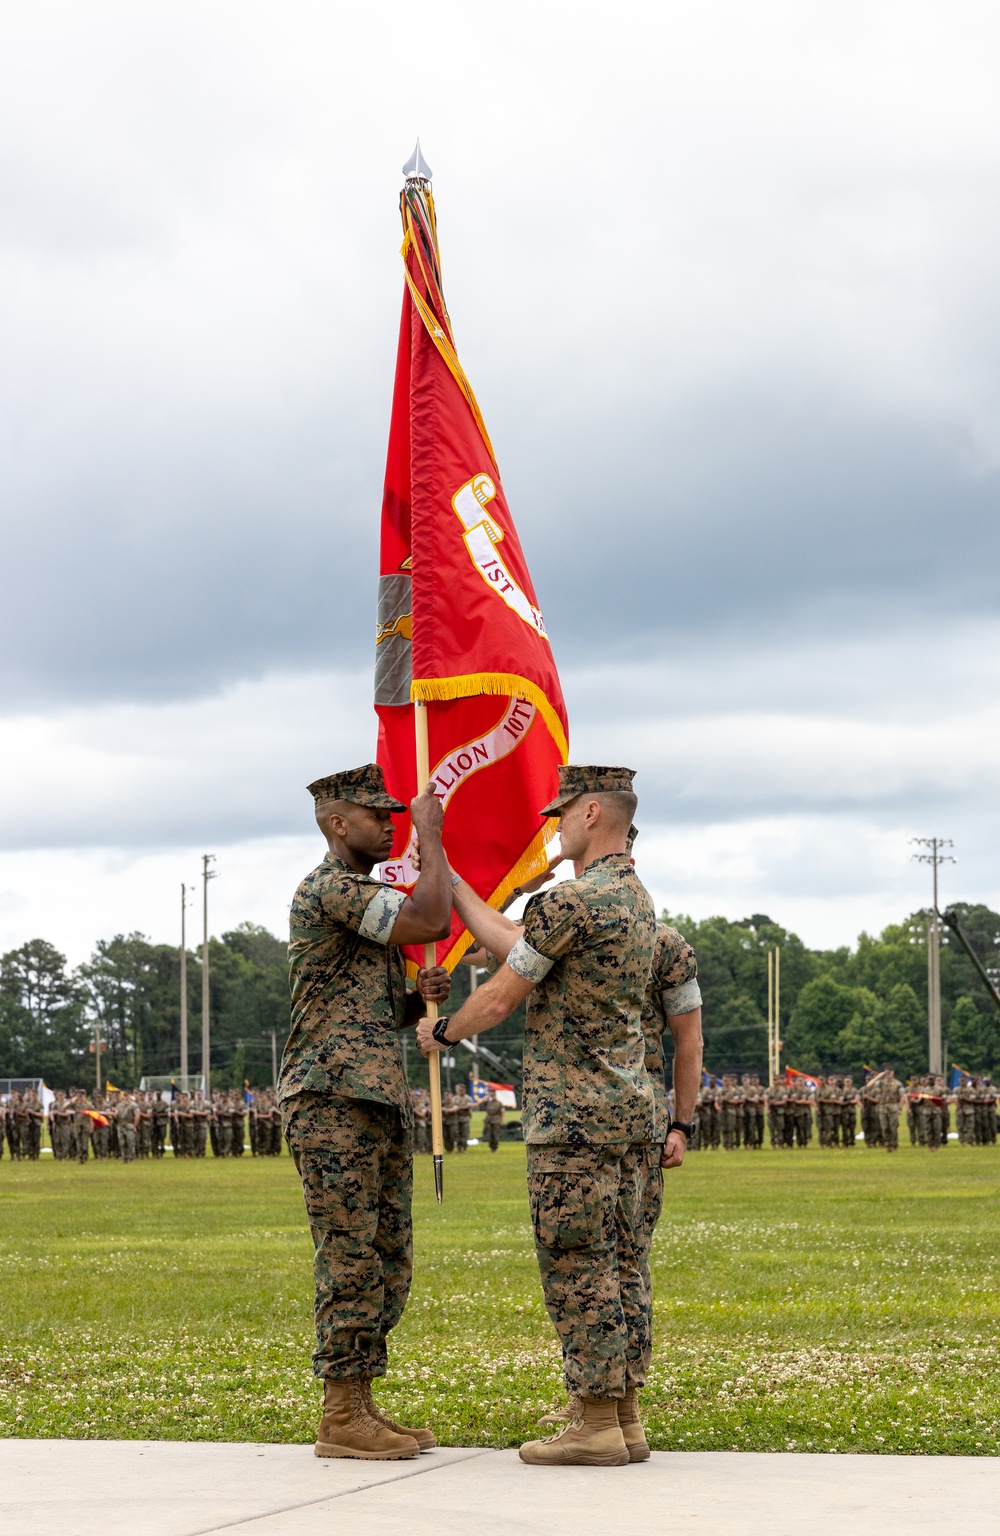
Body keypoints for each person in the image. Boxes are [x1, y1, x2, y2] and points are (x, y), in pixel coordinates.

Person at [418, 763, 656, 1469]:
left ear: (590, 814)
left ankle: (592, 1422)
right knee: (622, 1267)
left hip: (573, 1121)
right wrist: (453, 876)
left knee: (577, 1269)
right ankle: (623, 1412)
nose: (551, 826)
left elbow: (498, 996)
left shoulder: (571, 901)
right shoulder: (634, 899)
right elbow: (518, 944)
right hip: (629, 1117)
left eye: (561, 813)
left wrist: (445, 1033)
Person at [279, 763, 452, 1461]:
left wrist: (416, 999)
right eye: (378, 816)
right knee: (350, 1256)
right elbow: (431, 916)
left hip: (373, 1093)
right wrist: (433, 840)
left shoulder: (362, 895)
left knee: (389, 1257)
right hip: (333, 1098)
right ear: (337, 823)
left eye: (398, 815)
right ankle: (340, 1412)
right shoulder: (331, 889)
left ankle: (364, 1401)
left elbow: (370, 1011)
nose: (393, 824)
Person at [452, 1083, 473, 1152]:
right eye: (459, 1090)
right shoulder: (455, 1098)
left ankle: (464, 1147)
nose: (460, 1091)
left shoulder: (468, 1098)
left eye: (461, 1090)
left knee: (465, 1133)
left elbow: (468, 1106)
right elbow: (452, 1106)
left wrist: (459, 1107)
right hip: (456, 1118)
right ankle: (459, 1147)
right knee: (457, 1133)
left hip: (465, 1118)